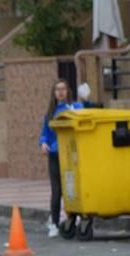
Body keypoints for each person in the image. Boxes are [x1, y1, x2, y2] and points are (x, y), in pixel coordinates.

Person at [39, 79, 83, 237]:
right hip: (55, 155)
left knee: (72, 188)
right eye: (57, 89)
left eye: (63, 88)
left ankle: (75, 217)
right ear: (54, 93)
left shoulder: (75, 107)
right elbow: (44, 133)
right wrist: (43, 143)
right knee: (56, 190)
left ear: (68, 91)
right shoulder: (51, 112)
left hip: (71, 155)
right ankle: (55, 223)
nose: (61, 92)